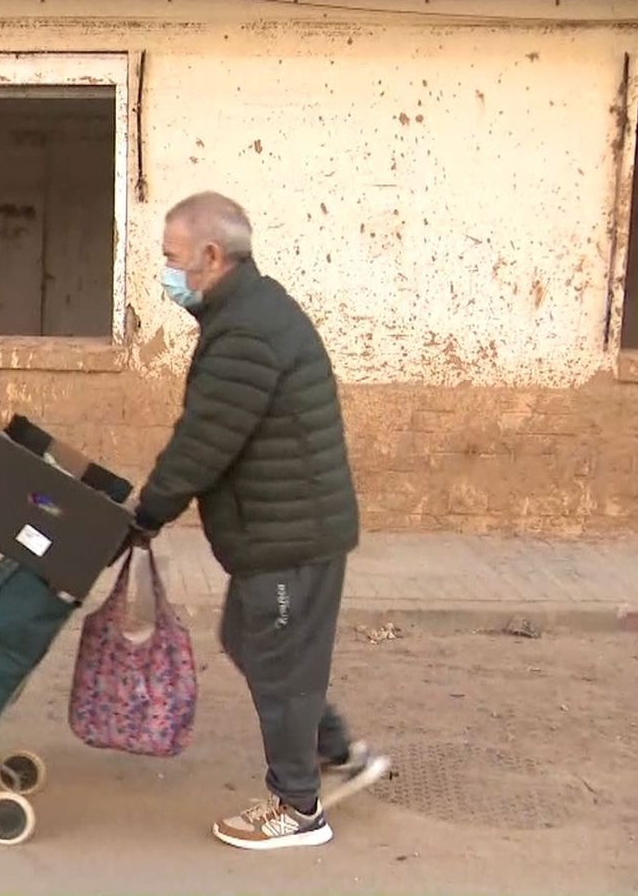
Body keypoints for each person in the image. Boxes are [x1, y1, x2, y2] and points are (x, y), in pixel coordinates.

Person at [128, 191, 391, 851]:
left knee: (276, 663)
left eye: (172, 258)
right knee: (256, 643)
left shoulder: (245, 330)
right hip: (289, 529)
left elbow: (204, 442)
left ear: (211, 256)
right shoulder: (248, 311)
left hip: (287, 537)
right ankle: (334, 750)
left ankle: (298, 809)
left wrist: (147, 513)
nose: (166, 271)